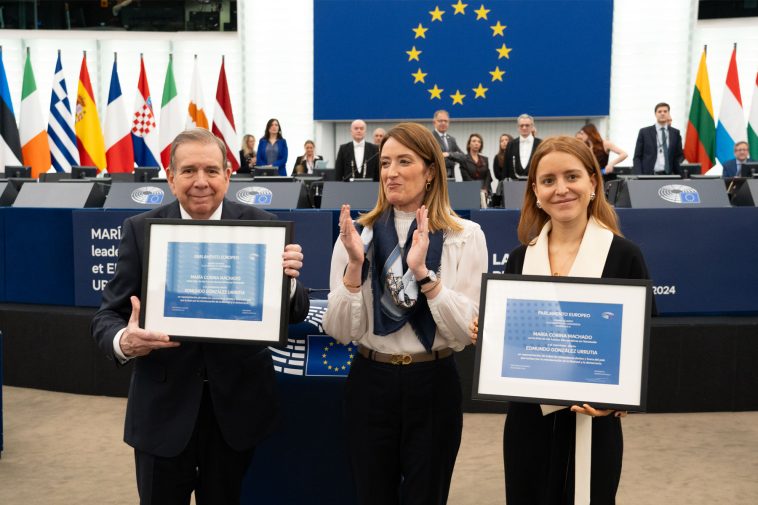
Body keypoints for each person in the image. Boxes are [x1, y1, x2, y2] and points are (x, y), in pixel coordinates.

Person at [91, 128, 310, 505]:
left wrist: (288, 281)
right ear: (171, 177)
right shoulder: (140, 230)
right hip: (162, 414)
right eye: (189, 171)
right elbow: (107, 315)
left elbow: (295, 311)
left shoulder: (264, 226)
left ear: (228, 175)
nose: (201, 182)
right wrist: (123, 341)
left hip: (236, 415)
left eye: (211, 170)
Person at [475, 135, 652, 504]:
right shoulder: (519, 260)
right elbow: (516, 343)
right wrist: (492, 340)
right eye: (549, 180)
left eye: (572, 177)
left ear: (592, 182)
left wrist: (617, 402)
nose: (561, 189)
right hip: (528, 423)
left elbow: (644, 345)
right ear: (535, 191)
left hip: (594, 419)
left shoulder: (624, 256)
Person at [323, 122, 488, 505]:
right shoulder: (356, 236)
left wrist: (423, 275)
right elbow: (340, 331)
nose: (391, 172)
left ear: (431, 171)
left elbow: (466, 331)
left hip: (433, 384)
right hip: (370, 382)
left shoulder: (466, 235)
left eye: (404, 161)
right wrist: (352, 269)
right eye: (385, 163)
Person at [632, 102, 684, 175]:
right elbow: (637, 157)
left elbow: (678, 156)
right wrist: (639, 176)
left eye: (665, 111)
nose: (662, 113)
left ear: (668, 114)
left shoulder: (675, 133)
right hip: (648, 176)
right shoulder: (644, 132)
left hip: (669, 176)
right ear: (655, 114)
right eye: (659, 111)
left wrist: (681, 175)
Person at [504, 114, 542, 178]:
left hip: (535, 183)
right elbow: (506, 168)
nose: (524, 128)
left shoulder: (541, 144)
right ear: (518, 127)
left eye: (527, 125)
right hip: (513, 185)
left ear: (532, 127)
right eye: (521, 125)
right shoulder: (510, 144)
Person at [430, 109, 464, 178]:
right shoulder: (429, 138)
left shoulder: (451, 139)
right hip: (436, 177)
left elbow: (463, 157)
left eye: (445, 121)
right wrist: (452, 161)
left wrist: (449, 154)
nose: (443, 123)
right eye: (440, 121)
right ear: (434, 122)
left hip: (451, 178)